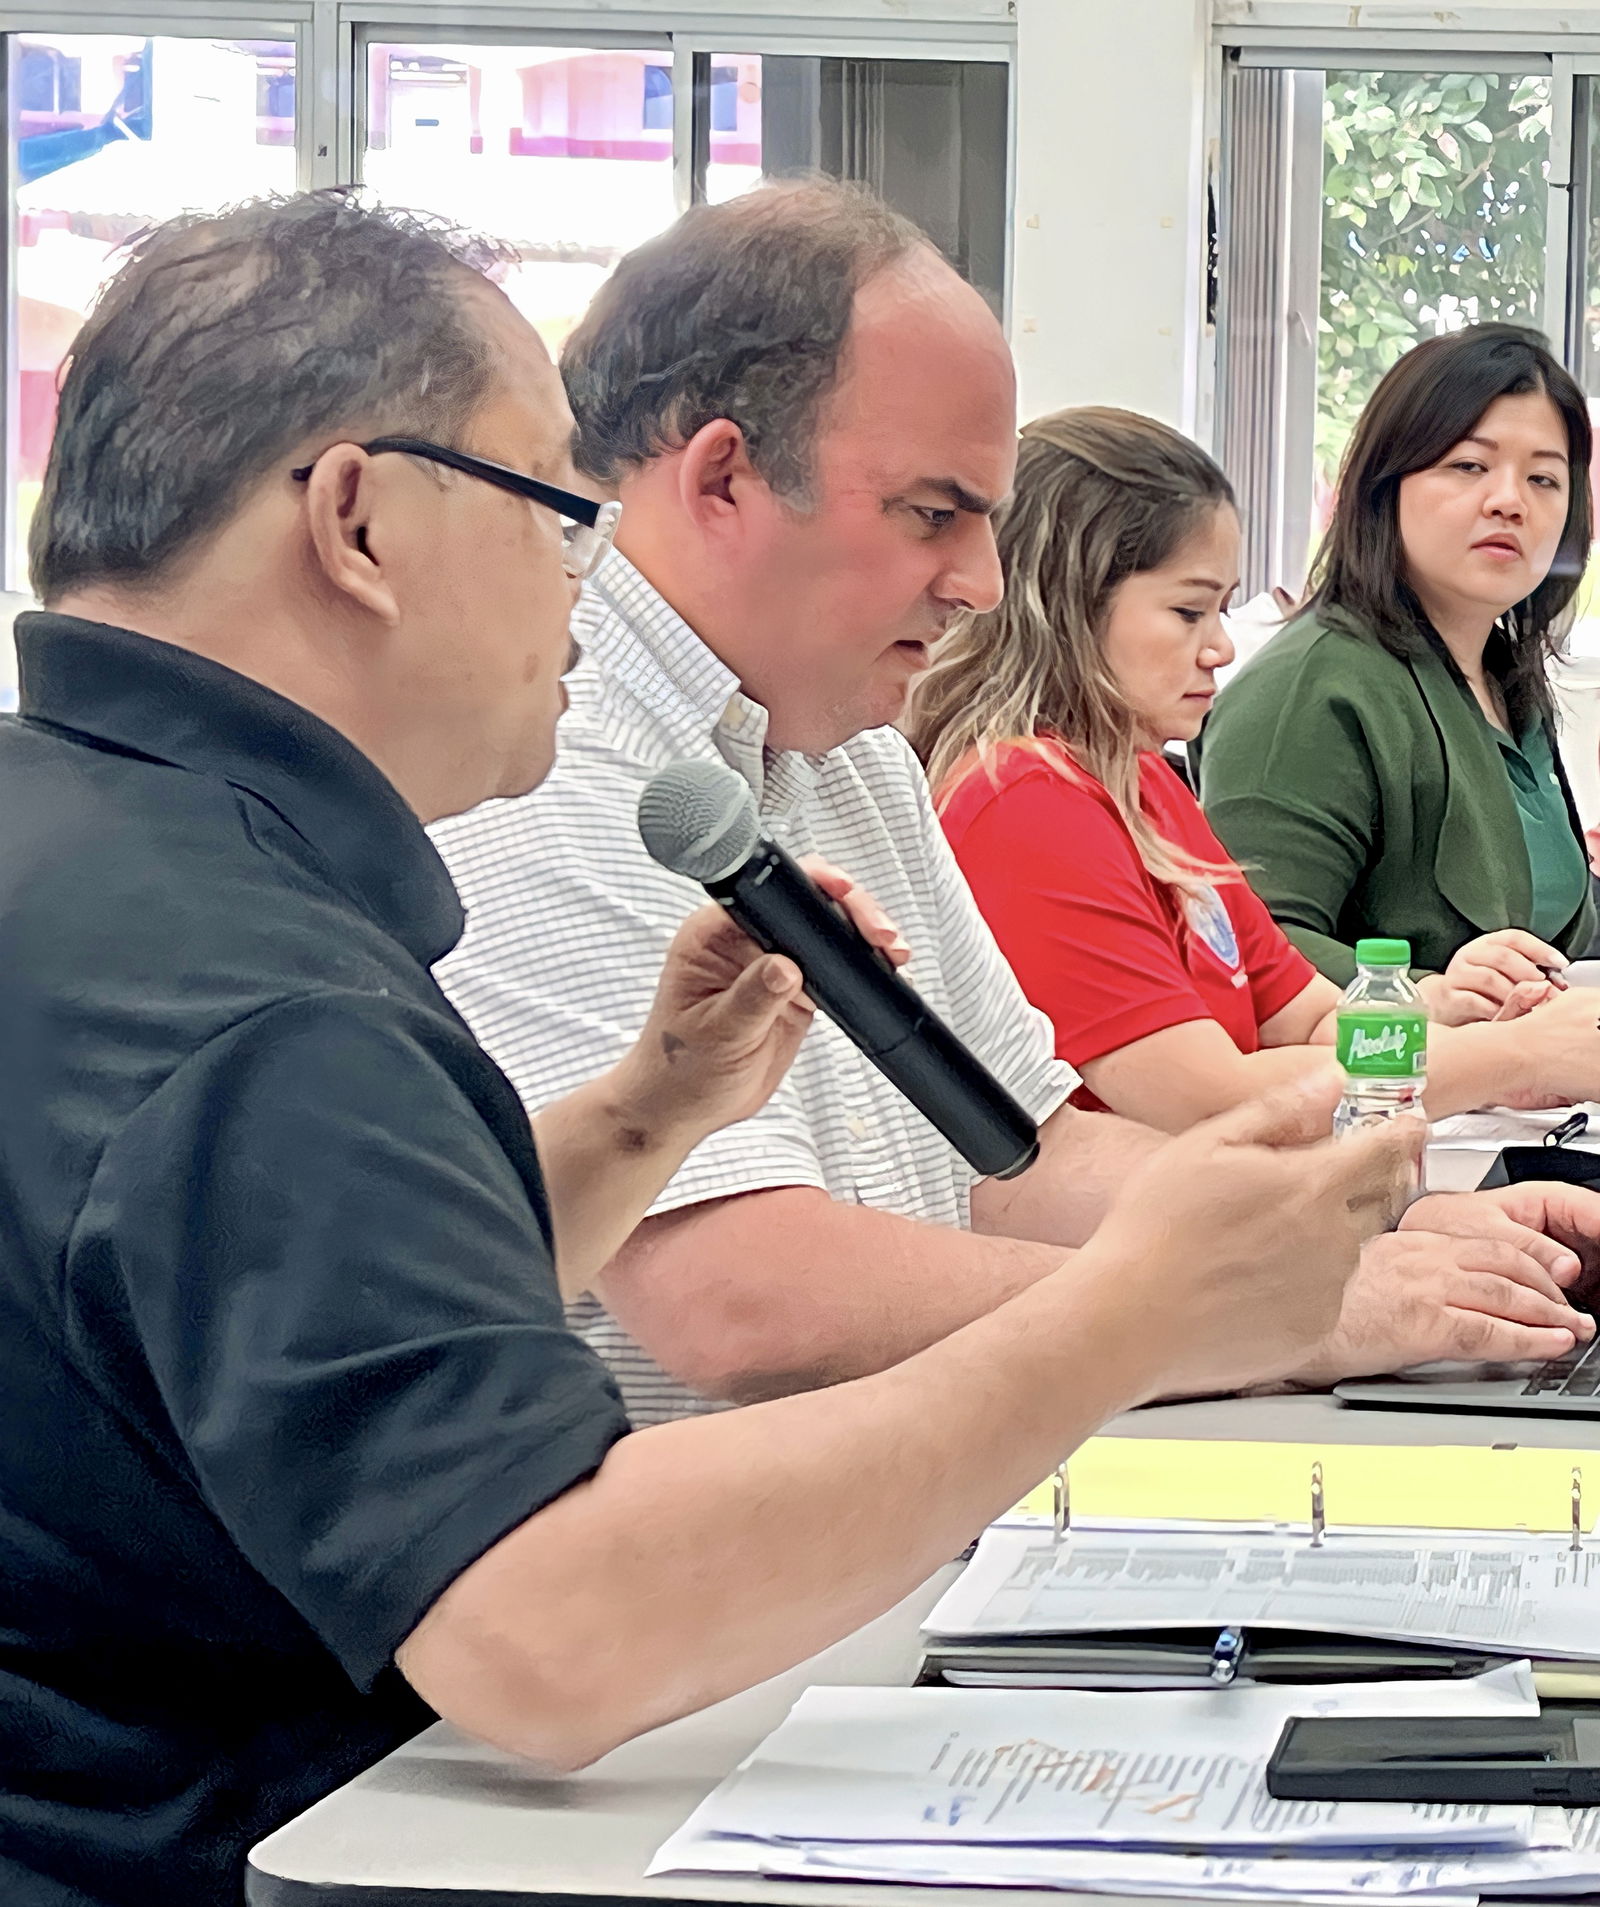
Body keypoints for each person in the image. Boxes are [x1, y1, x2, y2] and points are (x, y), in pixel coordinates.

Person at [0, 191, 1425, 1907]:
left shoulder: (86, 843)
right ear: (360, 523)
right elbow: (552, 1630)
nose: (583, 586)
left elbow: (275, 1326)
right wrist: (1139, 1314)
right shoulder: (257, 991)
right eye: (549, 516)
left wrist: (638, 1121)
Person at [431, 179, 1597, 1431]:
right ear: (722, 479)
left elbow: (1029, 1153)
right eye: (933, 513)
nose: (984, 584)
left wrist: (1374, 1236)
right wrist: (1275, 1310)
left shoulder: (850, 756)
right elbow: (741, 1300)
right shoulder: (552, 762)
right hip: (732, 1579)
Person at [909, 405, 1600, 1136]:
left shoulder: (1143, 785)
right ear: (1067, 606)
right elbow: (1210, 1097)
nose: (1221, 649)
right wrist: (1510, 1059)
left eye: (1221, 612)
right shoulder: (1024, 803)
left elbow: (1307, 1016)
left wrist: (1441, 1020)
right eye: (1187, 612)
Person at [1198, 322, 1597, 1023]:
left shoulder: (1505, 678)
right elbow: (1248, 954)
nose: (1511, 500)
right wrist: (1423, 991)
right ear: (1387, 484)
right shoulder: (1314, 687)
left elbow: (1567, 927)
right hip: (1382, 1108)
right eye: (1469, 466)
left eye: (1544, 478)